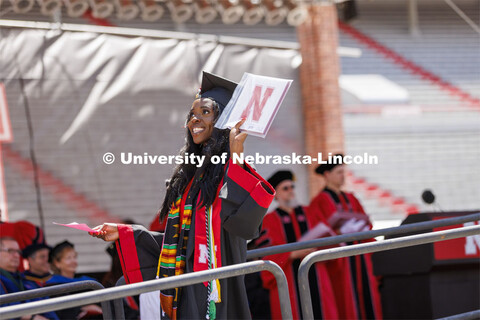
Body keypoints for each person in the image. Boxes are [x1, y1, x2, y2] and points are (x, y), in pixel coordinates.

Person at [90, 71, 275, 320]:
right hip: (184, 291)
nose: (193, 121)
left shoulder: (232, 172)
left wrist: (237, 155)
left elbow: (246, 225)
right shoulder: (189, 179)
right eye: (191, 115)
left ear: (224, 121)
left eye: (205, 113)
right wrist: (126, 232)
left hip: (217, 293)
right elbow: (178, 244)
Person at [254, 170, 339, 319]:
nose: (291, 191)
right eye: (285, 188)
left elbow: (328, 239)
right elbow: (266, 256)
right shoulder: (269, 221)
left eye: (292, 187)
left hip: (318, 277)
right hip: (288, 280)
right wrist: (293, 254)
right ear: (277, 194)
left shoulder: (310, 212)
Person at [309, 154, 383, 319]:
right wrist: (339, 234)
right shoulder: (319, 202)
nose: (343, 176)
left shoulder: (351, 198)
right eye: (339, 172)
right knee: (344, 301)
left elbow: (367, 223)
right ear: (327, 175)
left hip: (360, 258)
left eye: (344, 171)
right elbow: (318, 233)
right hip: (340, 263)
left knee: (368, 299)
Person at [0, 237, 57, 320]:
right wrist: (31, 317)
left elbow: (47, 306)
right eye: (10, 251)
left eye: (18, 252)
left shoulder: (26, 280)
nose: (16, 255)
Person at [48, 240, 103, 319]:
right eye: (68, 258)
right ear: (57, 263)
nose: (73, 261)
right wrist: (82, 309)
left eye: (74, 257)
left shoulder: (88, 282)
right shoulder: (53, 286)